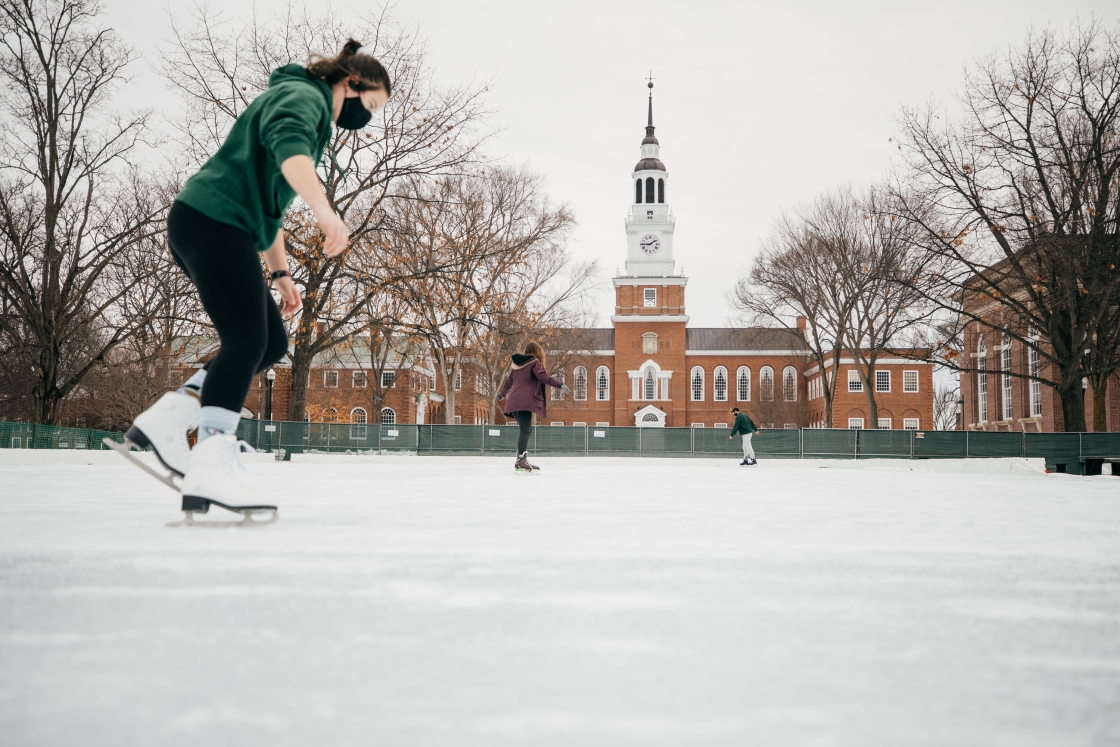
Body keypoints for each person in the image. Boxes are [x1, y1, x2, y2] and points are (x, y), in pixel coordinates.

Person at [122, 40, 391, 507]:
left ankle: (176, 411)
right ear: (350, 82)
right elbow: (291, 153)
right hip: (214, 220)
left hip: (217, 224)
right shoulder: (304, 98)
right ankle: (211, 457)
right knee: (246, 340)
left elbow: (269, 210)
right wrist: (327, 213)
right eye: (368, 105)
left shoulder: (302, 102)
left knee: (271, 343)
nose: (365, 119)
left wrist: (281, 271)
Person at [497, 342, 566, 472]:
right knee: (525, 430)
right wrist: (560, 384)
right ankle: (521, 460)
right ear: (537, 352)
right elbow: (543, 376)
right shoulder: (534, 362)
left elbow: (508, 382)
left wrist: (501, 395)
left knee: (527, 429)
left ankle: (522, 458)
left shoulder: (517, 366)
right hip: (524, 401)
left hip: (513, 401)